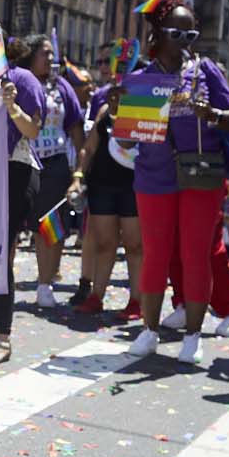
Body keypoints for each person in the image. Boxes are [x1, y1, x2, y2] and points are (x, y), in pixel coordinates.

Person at [119, 4, 229, 366]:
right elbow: (125, 141)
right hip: (154, 178)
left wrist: (213, 114)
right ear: (158, 34)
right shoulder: (141, 78)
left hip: (200, 176)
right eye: (176, 33)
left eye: (191, 34)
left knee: (195, 255)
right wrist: (122, 111)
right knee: (155, 255)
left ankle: (193, 336)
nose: (184, 41)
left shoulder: (205, 71)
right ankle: (149, 330)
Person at [0, 35, 47, 364]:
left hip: (14, 173)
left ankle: (3, 336)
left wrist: (12, 107)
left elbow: (32, 131)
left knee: (0, 256)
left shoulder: (22, 79)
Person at [75, 76, 143, 317]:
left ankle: (136, 301)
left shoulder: (142, 112)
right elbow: (89, 147)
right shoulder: (104, 111)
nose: (115, 94)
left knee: (135, 246)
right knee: (104, 244)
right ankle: (96, 297)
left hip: (133, 187)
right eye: (113, 90)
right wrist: (78, 176)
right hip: (102, 186)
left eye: (121, 89)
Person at [25, 35, 84, 309]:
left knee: (52, 226)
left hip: (56, 164)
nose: (50, 58)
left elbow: (76, 129)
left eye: (52, 53)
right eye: (44, 53)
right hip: (26, 164)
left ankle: (45, 283)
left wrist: (79, 171)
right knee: (32, 226)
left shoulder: (62, 87)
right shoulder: (21, 82)